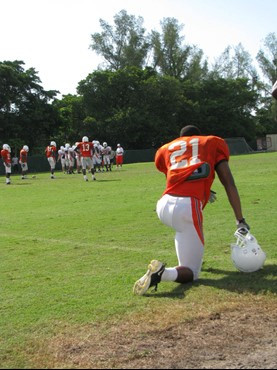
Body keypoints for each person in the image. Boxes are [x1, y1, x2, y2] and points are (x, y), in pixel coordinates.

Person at [133, 125, 250, 296]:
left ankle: (190, 259)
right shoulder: (211, 142)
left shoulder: (166, 148)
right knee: (192, 273)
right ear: (198, 136)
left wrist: (203, 188)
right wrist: (240, 219)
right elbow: (228, 183)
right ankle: (162, 273)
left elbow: (176, 174)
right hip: (186, 208)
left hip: (164, 205)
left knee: (183, 232)